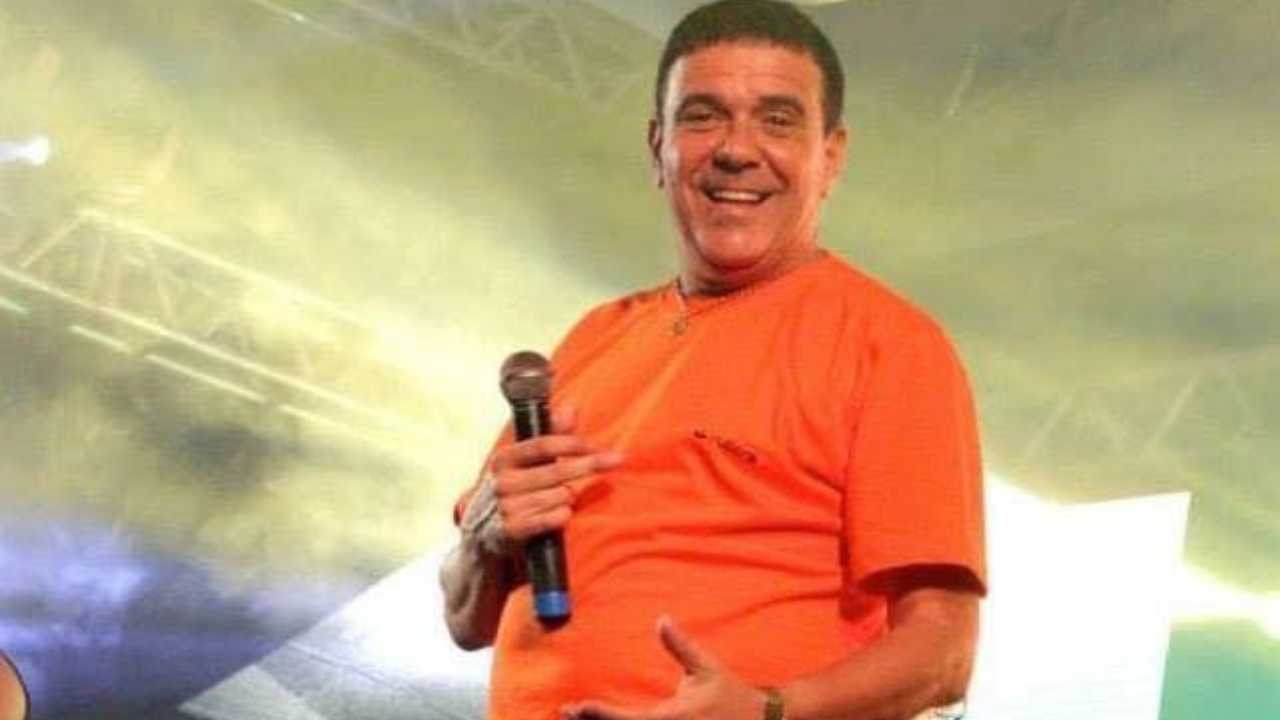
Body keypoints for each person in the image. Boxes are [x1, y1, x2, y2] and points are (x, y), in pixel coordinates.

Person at [439, 2, 986, 719]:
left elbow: (941, 658)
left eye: (778, 120)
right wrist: (482, 543)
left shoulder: (889, 345)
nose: (736, 149)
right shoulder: (592, 340)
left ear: (830, 156)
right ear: (657, 147)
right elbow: (464, 621)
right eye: (703, 117)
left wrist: (766, 711)